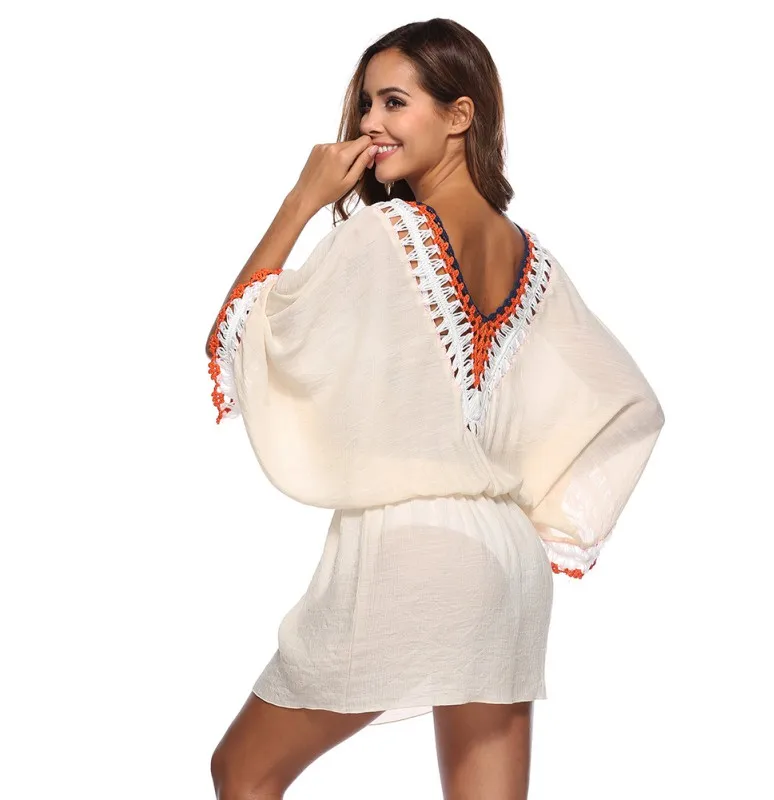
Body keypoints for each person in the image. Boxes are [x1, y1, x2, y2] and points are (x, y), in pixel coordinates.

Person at [206, 18, 665, 800]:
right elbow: (624, 395)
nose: (370, 125)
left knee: (244, 771)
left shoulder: (387, 233)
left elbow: (239, 334)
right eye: (364, 105)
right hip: (506, 562)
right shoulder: (533, 259)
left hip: (409, 552)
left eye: (394, 102)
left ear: (459, 115)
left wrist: (304, 198)